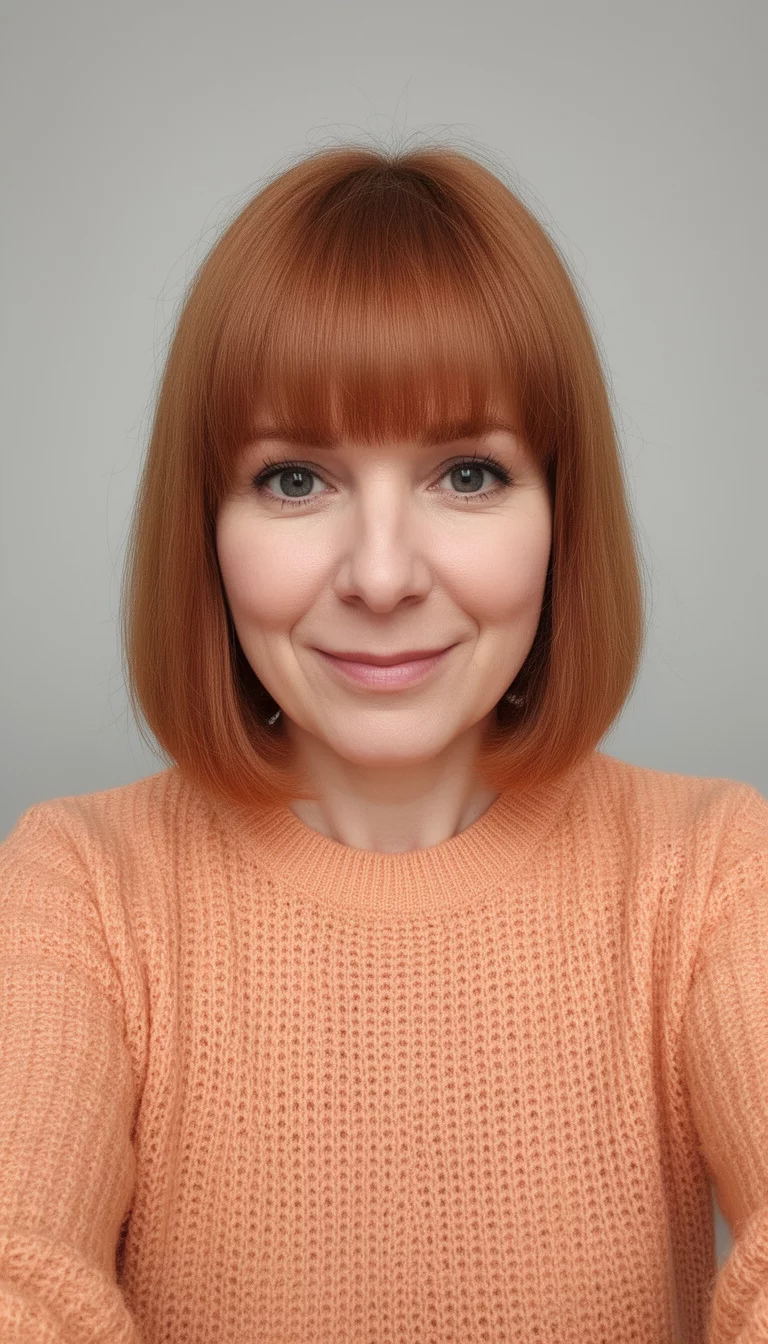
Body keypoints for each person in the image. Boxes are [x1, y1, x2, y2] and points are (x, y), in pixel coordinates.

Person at [1, 143, 767, 1344]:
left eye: (467, 473)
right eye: (295, 478)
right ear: (204, 527)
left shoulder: (718, 873)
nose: (380, 576)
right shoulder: (79, 883)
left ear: (564, 515)